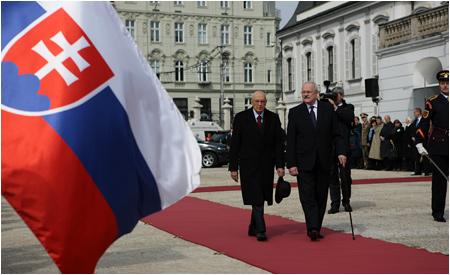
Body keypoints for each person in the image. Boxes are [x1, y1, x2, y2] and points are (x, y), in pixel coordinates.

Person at [286, 82, 347, 241]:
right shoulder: (295, 112)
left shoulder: (328, 109)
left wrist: (341, 152)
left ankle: (316, 226)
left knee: (321, 195)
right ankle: (312, 227)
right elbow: (290, 141)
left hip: (324, 160)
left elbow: (337, 134)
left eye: (308, 92)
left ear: (316, 93)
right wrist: (291, 163)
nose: (305, 94)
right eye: (303, 92)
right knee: (306, 196)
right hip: (303, 162)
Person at [229, 91, 285, 241]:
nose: (259, 104)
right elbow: (235, 145)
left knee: (261, 196)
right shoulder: (241, 118)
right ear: (252, 102)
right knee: (256, 197)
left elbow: (278, 144)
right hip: (248, 165)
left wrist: (280, 165)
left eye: (262, 101)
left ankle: (253, 227)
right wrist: (233, 168)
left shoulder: (273, 118)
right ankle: (261, 230)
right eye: (257, 101)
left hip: (267, 165)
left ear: (266, 102)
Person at [415, 70, 449, 223]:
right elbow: (424, 123)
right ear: (439, 85)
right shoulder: (433, 101)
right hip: (439, 145)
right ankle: (438, 211)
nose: (445, 85)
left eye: (447, 83)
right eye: (442, 83)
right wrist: (418, 141)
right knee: (440, 181)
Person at [325, 86, 355, 214]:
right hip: (331, 147)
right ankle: (335, 203)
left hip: (344, 146)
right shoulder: (328, 108)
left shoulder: (348, 107)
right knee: (332, 177)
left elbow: (349, 118)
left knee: (345, 176)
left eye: (335, 96)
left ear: (341, 96)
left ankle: (346, 201)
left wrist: (336, 108)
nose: (333, 98)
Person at [411, 108, 431, 176]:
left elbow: (425, 129)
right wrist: (413, 137)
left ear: (418, 112)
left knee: (424, 155)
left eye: (415, 112)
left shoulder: (424, 120)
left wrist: (419, 137)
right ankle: (418, 171)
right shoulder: (415, 121)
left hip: (423, 140)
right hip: (416, 141)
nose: (414, 114)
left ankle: (426, 171)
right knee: (417, 156)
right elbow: (413, 130)